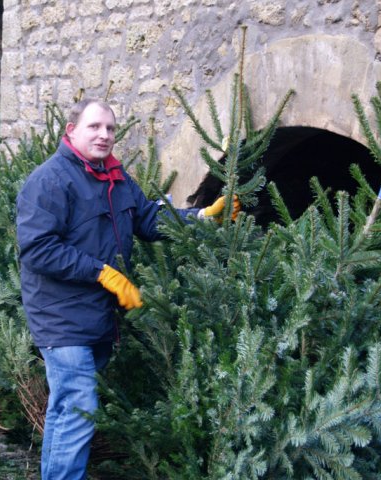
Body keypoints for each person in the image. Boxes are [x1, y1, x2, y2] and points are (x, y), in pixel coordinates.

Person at [16, 98, 240, 479]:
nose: (104, 135)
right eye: (95, 127)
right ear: (71, 131)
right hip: (61, 316)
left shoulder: (116, 178)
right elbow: (38, 249)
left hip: (99, 316)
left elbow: (150, 220)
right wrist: (102, 273)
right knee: (79, 406)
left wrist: (202, 218)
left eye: (110, 128)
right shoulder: (49, 180)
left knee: (68, 407)